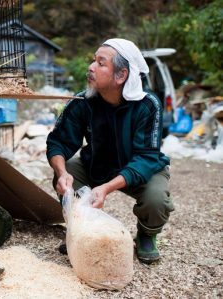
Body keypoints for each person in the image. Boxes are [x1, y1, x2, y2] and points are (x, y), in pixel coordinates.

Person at [46, 38, 175, 264]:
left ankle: (147, 235)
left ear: (121, 75)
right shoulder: (82, 101)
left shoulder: (148, 105)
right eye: (93, 60)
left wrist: (106, 188)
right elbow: (58, 141)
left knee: (156, 199)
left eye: (101, 63)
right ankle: (81, 230)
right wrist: (61, 171)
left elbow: (146, 157)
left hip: (138, 169)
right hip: (97, 165)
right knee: (68, 172)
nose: (91, 67)